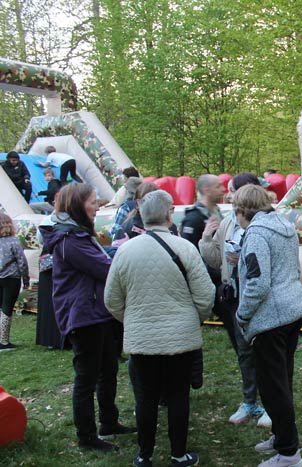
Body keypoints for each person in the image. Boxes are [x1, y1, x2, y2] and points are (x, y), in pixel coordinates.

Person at [105, 190, 215, 467]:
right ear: (169, 214)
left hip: (142, 339)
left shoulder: (125, 251)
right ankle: (178, 454)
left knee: (145, 397)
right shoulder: (185, 248)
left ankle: (145, 455)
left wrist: (133, 319)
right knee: (178, 395)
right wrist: (194, 319)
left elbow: (112, 300)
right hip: (181, 336)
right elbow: (205, 296)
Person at [39, 183, 134, 452]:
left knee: (108, 370)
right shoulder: (70, 241)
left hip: (96, 312)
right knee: (87, 378)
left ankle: (109, 422)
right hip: (83, 316)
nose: (97, 207)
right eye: (92, 202)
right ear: (77, 205)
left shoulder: (79, 235)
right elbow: (106, 269)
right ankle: (87, 437)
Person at [233, 185, 302, 467]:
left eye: (236, 213)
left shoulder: (256, 234)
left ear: (243, 211)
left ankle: (289, 454)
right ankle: (281, 435)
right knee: (282, 379)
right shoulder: (284, 226)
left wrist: (242, 315)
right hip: (292, 310)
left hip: (271, 319)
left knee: (273, 387)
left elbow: (258, 282)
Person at [199, 173, 271, 427]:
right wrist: (206, 239)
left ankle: (271, 403)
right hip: (236, 296)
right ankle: (249, 400)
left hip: (262, 298)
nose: (227, 195)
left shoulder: (268, 223)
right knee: (244, 351)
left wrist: (243, 260)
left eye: (231, 190)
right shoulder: (228, 221)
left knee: (266, 352)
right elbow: (216, 259)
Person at [35, 192, 70, 350]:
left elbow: (40, 239)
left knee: (49, 301)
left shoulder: (47, 219)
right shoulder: (68, 220)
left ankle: (50, 338)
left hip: (49, 263)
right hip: (61, 261)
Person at [112, 182, 178, 244]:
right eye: (148, 201)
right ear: (138, 203)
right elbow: (117, 251)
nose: (154, 205)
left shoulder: (171, 227)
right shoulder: (126, 229)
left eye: (157, 201)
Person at [0, 213, 29, 351]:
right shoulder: (14, 241)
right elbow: (22, 262)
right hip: (11, 279)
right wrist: (26, 279)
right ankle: (3, 341)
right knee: (6, 309)